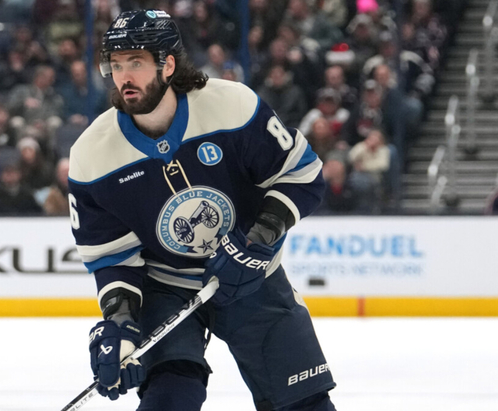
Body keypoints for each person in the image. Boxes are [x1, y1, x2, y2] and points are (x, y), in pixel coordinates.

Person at [68, 10, 336, 411]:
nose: (124, 77)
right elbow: (110, 257)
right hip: (165, 285)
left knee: (304, 403)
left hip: (253, 275)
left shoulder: (233, 107)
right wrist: (119, 321)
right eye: (116, 65)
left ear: (168, 64)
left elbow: (303, 176)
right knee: (171, 396)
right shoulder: (92, 155)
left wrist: (258, 240)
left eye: (136, 63)